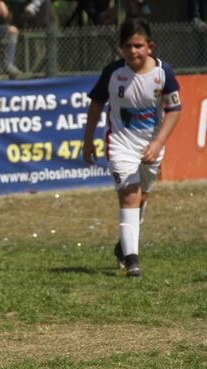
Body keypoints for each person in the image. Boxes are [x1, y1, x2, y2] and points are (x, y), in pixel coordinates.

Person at [82, 18, 182, 278]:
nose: (133, 51)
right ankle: (132, 261)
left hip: (150, 146)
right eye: (127, 46)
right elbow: (95, 105)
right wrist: (88, 140)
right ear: (121, 48)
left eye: (138, 45)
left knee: (142, 197)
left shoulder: (164, 73)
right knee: (129, 195)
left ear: (150, 46)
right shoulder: (113, 73)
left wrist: (157, 143)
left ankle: (123, 246)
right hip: (120, 143)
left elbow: (174, 110)